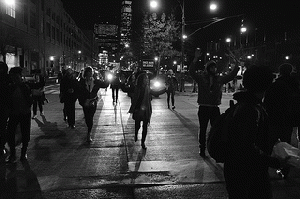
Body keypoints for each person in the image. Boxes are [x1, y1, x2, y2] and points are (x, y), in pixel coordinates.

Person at [224, 66, 286, 199]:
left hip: (238, 171)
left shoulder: (245, 105)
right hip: (248, 172)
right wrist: (274, 161)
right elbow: (246, 147)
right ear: (267, 84)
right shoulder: (251, 110)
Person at [189, 48, 240, 157]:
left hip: (214, 107)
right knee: (202, 129)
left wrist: (237, 65)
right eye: (211, 67)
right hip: (204, 107)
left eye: (214, 67)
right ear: (208, 68)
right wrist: (195, 59)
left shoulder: (219, 79)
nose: (213, 69)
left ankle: (214, 148)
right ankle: (202, 148)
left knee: (216, 129)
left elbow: (231, 76)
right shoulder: (201, 78)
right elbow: (192, 72)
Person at [264, 63, 300, 178]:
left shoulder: (275, 85)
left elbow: (268, 102)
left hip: (275, 118)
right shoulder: (295, 85)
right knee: (287, 144)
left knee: (269, 144)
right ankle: (285, 169)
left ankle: (265, 167)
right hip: (289, 119)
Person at [6, 67, 33, 163]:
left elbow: (30, 100)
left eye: (17, 77)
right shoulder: (10, 87)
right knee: (10, 133)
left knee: (25, 133)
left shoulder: (25, 87)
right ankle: (13, 154)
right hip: (14, 113)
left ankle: (23, 153)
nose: (15, 79)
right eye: (14, 77)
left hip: (24, 113)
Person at [78, 66, 109, 143]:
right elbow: (79, 93)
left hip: (93, 102)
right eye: (88, 73)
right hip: (85, 102)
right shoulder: (81, 82)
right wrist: (82, 102)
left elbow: (105, 84)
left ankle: (89, 133)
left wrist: (107, 77)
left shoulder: (96, 82)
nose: (89, 74)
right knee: (87, 117)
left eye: (90, 72)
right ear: (85, 74)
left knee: (90, 117)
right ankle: (89, 129)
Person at [129, 71, 152, 150]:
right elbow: (131, 94)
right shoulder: (137, 88)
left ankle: (143, 142)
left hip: (146, 111)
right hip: (138, 110)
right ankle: (136, 134)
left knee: (145, 127)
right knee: (137, 126)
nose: (147, 80)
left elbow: (154, 93)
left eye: (147, 78)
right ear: (142, 80)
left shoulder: (148, 88)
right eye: (145, 78)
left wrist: (164, 90)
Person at [0, 62, 11, 162]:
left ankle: (2, 144)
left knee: (3, 126)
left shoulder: (7, 79)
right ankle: (2, 144)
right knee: (3, 126)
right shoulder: (7, 79)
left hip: (4, 106)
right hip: (5, 106)